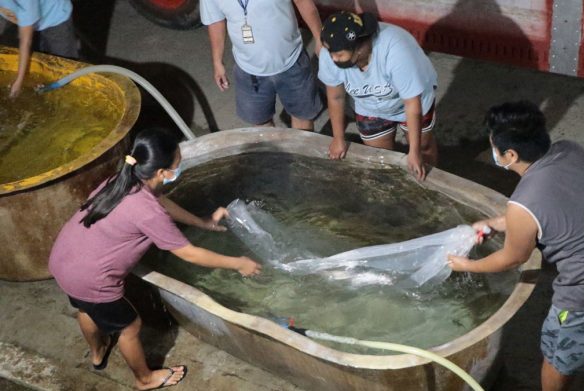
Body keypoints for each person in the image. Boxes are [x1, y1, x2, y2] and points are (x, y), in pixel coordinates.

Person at [447, 101, 584, 391]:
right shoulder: (571, 150)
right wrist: (499, 222)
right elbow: (556, 206)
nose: (493, 152)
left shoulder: (524, 201)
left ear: (510, 155)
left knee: (557, 356)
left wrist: (467, 265)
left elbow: (512, 258)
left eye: (494, 147)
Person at [48, 128, 262, 390]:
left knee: (86, 308)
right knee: (130, 326)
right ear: (162, 173)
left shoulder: (122, 179)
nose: (178, 169)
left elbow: (163, 203)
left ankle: (97, 353)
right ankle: (144, 379)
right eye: (177, 165)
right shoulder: (147, 211)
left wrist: (203, 223)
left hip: (63, 260)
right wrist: (239, 263)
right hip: (91, 278)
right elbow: (188, 253)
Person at [318, 11, 438, 181]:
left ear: (359, 47)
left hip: (411, 101)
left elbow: (412, 104)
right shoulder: (329, 54)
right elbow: (336, 97)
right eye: (331, 52)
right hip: (369, 106)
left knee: (423, 147)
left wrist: (415, 152)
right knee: (380, 156)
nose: (333, 58)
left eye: (339, 54)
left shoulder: (397, 51)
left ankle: (428, 182)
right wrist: (338, 138)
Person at [200, 0, 323, 130]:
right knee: (261, 125)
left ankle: (300, 150)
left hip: (292, 61)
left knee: (302, 118)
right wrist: (217, 61)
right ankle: (272, 149)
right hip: (248, 70)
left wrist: (319, 37)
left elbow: (303, 2)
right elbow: (215, 21)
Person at [0, 0, 80, 98]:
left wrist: (18, 82)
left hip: (54, 16)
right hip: (22, 13)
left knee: (64, 71)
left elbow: (25, 42)